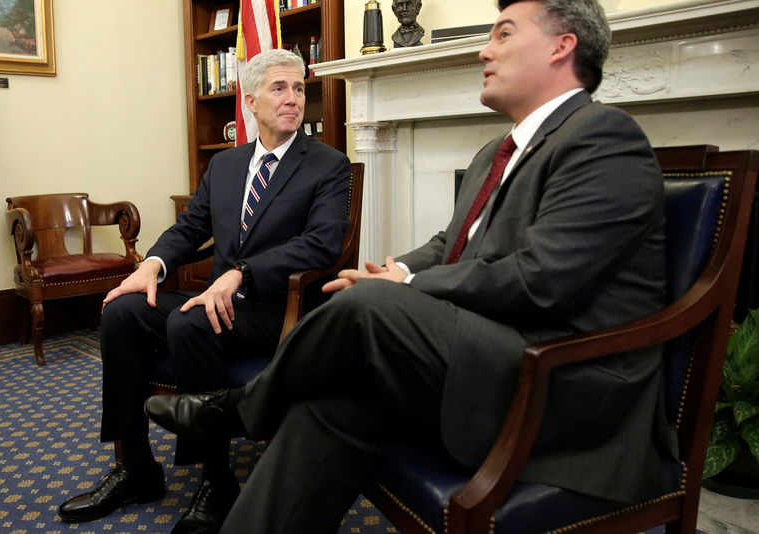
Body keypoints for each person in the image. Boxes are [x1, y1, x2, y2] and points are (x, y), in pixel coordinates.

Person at [146, 0, 678, 532]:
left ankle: (239, 408)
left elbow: (544, 279)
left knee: (366, 305)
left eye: (503, 33)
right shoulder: (499, 149)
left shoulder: (603, 135)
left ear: (563, 46)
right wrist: (395, 268)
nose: (483, 48)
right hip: (490, 349)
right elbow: (452, 242)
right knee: (333, 401)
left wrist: (405, 283)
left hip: (565, 384)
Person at [57, 49, 352, 533]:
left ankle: (217, 479)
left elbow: (321, 246)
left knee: (190, 320)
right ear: (252, 101)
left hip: (276, 308)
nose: (294, 98)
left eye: (299, 88)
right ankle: (136, 467)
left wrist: (243, 273)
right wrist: (151, 265)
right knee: (123, 311)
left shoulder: (328, 165)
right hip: (218, 299)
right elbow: (191, 227)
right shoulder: (226, 166)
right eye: (280, 88)